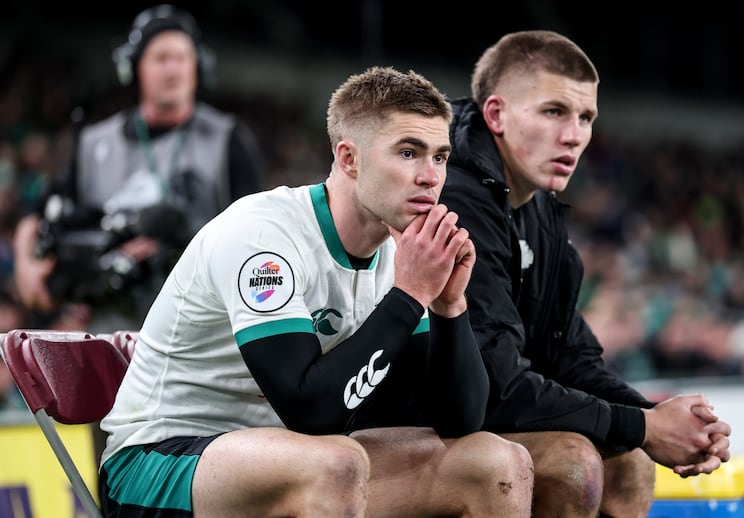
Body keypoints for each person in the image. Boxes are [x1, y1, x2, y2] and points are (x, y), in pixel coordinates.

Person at [98, 66, 534, 517]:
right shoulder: (263, 236)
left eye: (440, 157)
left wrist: (448, 304)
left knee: (495, 462)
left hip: (297, 460)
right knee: (337, 463)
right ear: (349, 159)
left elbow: (459, 420)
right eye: (408, 152)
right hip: (158, 463)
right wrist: (408, 295)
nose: (430, 176)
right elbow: (309, 412)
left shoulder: (398, 256)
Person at [438, 30, 732, 517]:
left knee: (629, 461)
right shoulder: (454, 199)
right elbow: (495, 385)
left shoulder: (538, 205)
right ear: (496, 114)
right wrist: (644, 426)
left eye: (586, 117)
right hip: (404, 423)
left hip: (472, 420)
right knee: (573, 462)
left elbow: (570, 356)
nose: (574, 135)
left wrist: (659, 420)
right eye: (554, 112)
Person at [12, 4, 266, 334]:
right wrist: (26, 265)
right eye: (161, 58)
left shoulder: (227, 139)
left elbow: (257, 233)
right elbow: (39, 204)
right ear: (134, 69)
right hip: (107, 331)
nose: (173, 69)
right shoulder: (94, 143)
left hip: (196, 331)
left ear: (198, 67)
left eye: (182, 57)